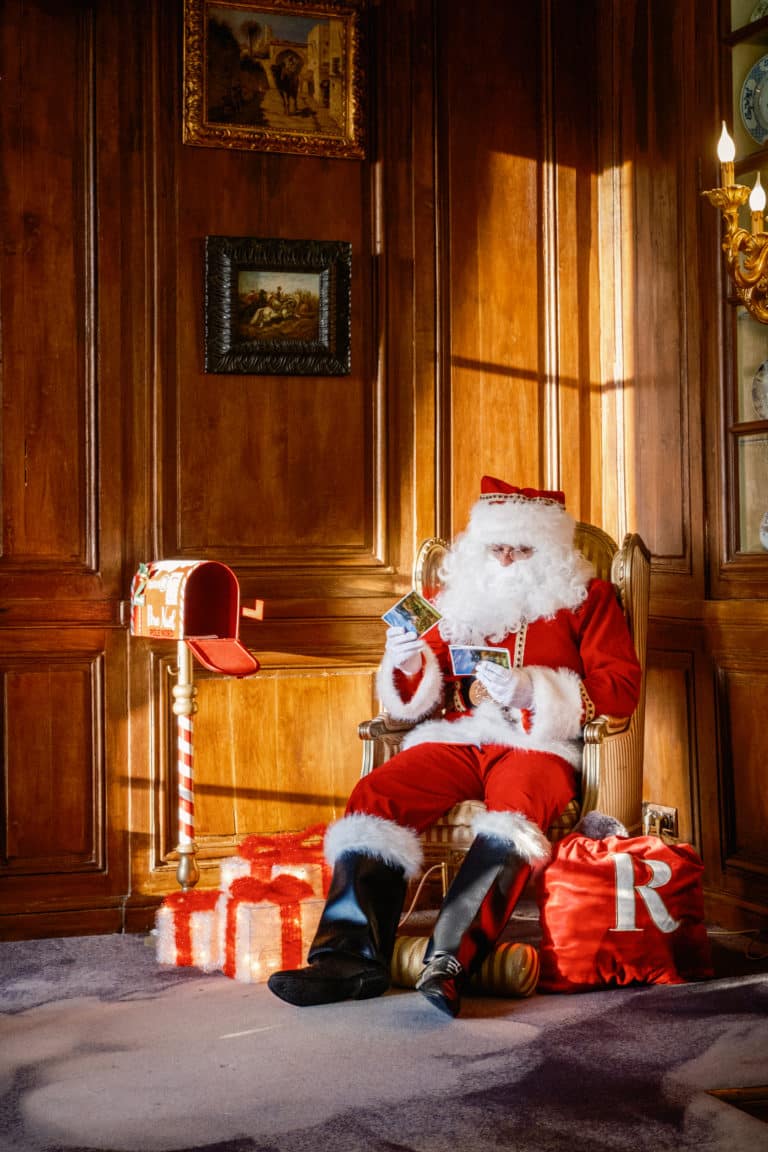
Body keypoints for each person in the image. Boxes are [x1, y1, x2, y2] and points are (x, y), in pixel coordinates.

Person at [268, 476, 642, 1017]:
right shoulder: (457, 599)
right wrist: (406, 663)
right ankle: (346, 959)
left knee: (515, 810)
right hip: (460, 736)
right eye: (497, 547)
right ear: (480, 548)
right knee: (379, 792)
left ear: (552, 550)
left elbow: (621, 688)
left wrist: (535, 688)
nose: (508, 559)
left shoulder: (589, 599)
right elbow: (423, 689)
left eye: (523, 547)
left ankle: (449, 960)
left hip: (537, 744)